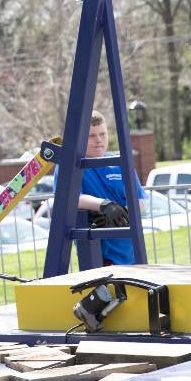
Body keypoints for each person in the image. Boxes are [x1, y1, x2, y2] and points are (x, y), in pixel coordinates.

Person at [76, 110, 146, 266]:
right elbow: (72, 198)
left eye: (103, 134)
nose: (99, 140)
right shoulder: (71, 165)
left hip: (131, 250)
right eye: (91, 136)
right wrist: (103, 205)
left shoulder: (119, 162)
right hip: (99, 254)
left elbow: (140, 201)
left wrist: (122, 215)